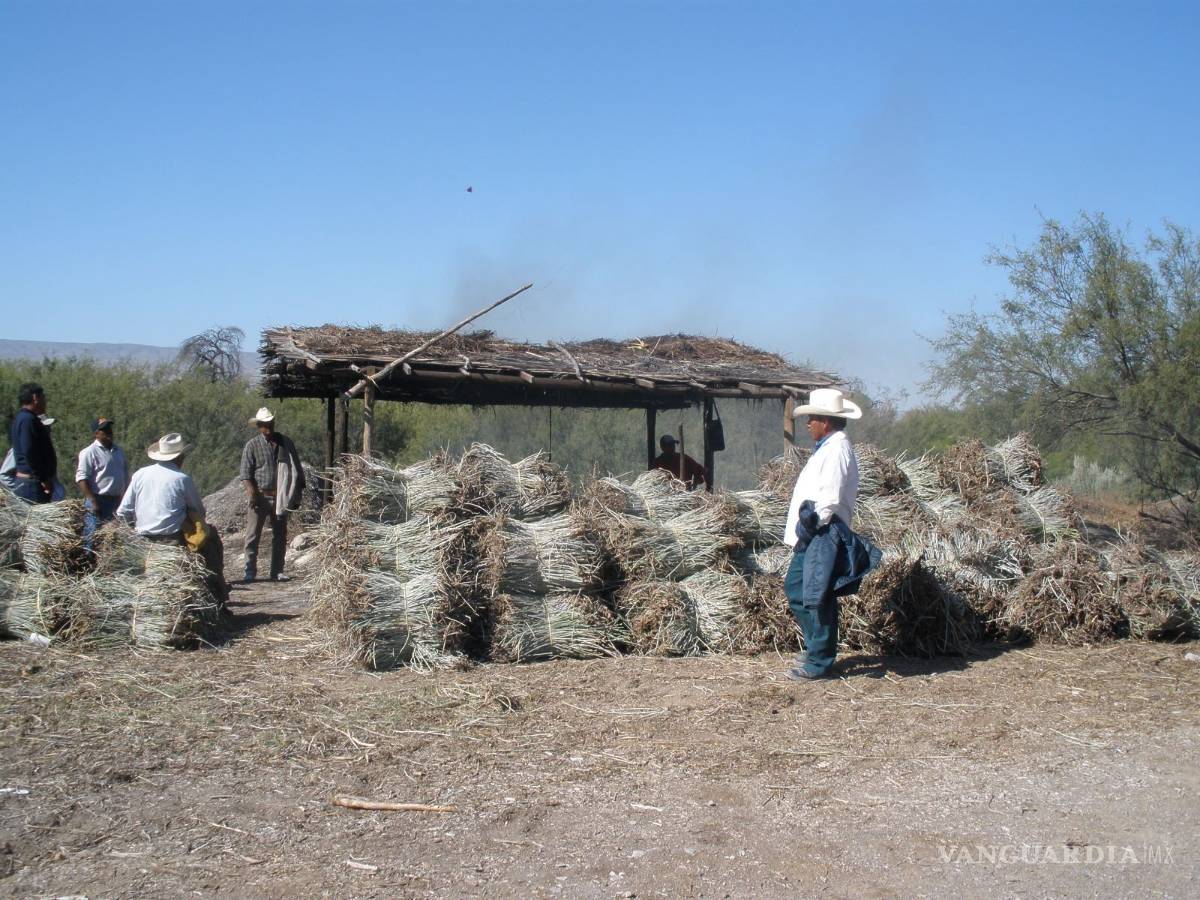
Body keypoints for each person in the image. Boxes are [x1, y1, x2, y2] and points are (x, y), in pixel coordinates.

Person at [782, 389, 880, 680]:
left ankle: (819, 662)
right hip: (816, 531)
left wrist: (812, 526)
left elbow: (831, 497)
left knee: (815, 595)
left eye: (813, 418)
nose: (809, 423)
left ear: (826, 421)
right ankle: (816, 649)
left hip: (823, 532)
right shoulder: (829, 446)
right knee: (799, 589)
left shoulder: (837, 449)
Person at [117, 432, 228, 606]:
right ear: (180, 456)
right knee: (212, 544)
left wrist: (131, 531)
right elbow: (199, 510)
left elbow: (123, 511)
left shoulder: (140, 474)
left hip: (141, 537)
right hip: (172, 538)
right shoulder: (182, 479)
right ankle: (219, 598)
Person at [239, 407, 305, 583]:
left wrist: (296, 494)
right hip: (260, 495)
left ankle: (277, 570)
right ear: (259, 426)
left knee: (280, 534)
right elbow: (245, 474)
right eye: (264, 425)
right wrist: (252, 494)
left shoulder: (285, 443)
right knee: (253, 534)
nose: (268, 428)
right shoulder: (252, 446)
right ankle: (249, 570)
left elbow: (296, 468)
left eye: (270, 424)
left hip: (281, 496)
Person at [76, 417, 129, 540]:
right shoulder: (89, 452)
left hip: (117, 501)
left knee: (113, 539)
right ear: (96, 433)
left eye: (109, 429)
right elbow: (81, 478)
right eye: (104, 430)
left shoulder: (119, 451)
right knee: (93, 536)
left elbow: (125, 475)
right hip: (98, 500)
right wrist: (92, 501)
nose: (109, 432)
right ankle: (88, 558)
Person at [8, 383, 56, 504]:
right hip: (31, 485)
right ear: (35, 397)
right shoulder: (27, 420)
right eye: (43, 397)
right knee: (35, 523)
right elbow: (30, 452)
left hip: (31, 483)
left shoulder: (24, 418)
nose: (45, 401)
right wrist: (44, 479)